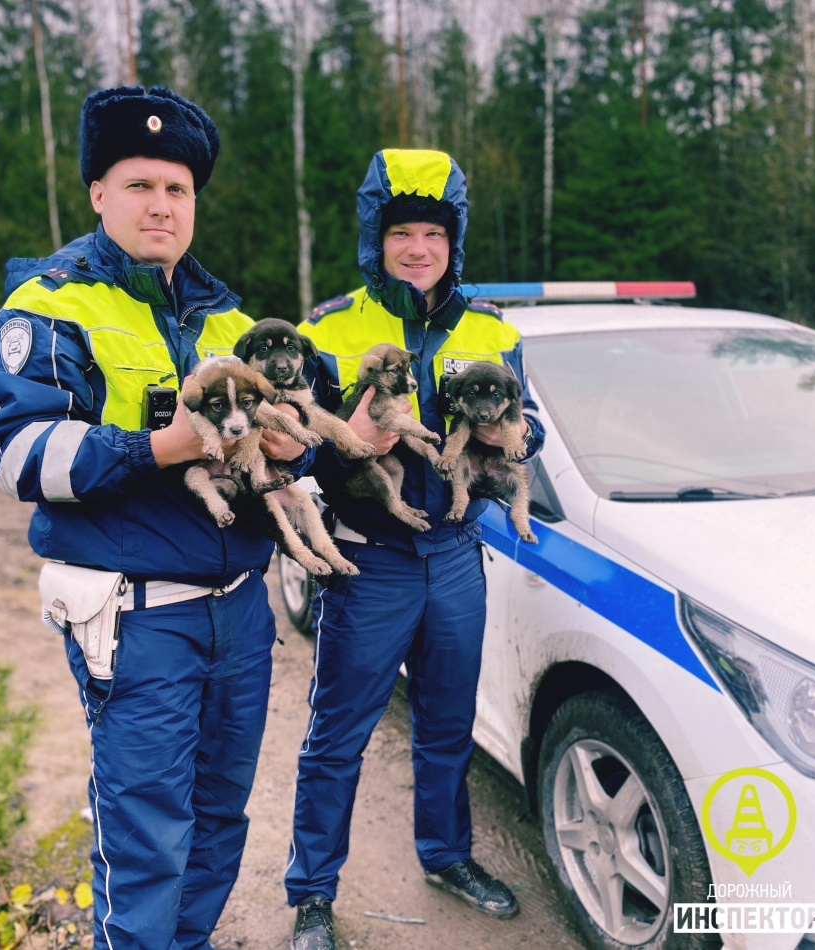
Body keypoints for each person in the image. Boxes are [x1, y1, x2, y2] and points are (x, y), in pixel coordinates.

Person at [0, 85, 310, 950]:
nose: (162, 205)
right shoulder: (51, 305)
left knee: (220, 819)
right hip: (135, 611)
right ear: (97, 193)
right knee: (148, 835)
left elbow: (278, 451)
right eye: (140, 185)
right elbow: (16, 457)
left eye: (178, 189)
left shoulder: (229, 318)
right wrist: (164, 447)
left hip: (240, 605)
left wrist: (298, 451)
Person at [285, 148, 546, 949]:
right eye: (402, 232)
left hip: (459, 558)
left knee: (446, 724)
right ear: (378, 237)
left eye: (434, 232)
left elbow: (523, 429)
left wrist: (516, 434)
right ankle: (313, 895)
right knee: (339, 733)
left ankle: (446, 855)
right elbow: (293, 450)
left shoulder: (492, 328)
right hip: (371, 561)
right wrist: (346, 442)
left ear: (452, 240)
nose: (419, 248)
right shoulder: (328, 327)